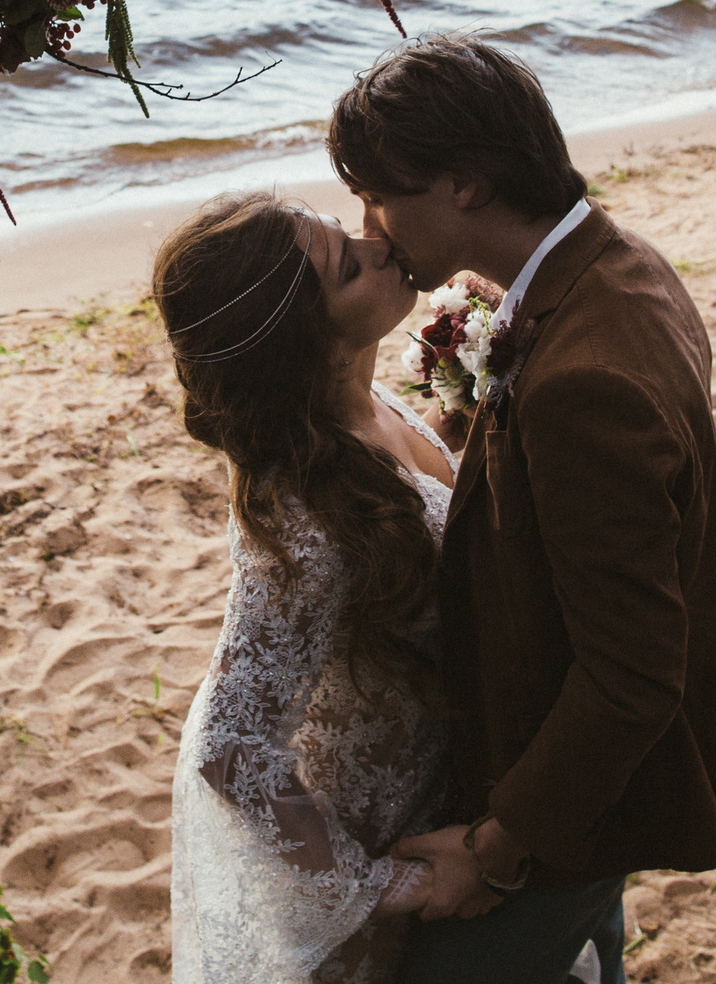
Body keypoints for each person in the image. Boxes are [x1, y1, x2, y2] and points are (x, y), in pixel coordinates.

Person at [329, 34, 716, 984]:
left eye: (378, 192)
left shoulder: (584, 379)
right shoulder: (617, 264)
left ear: (463, 184)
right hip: (588, 782)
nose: (370, 226)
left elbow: (631, 674)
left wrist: (495, 845)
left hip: (577, 796)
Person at [156, 192, 460, 983]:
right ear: (312, 343)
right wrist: (378, 884)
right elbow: (229, 748)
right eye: (349, 263)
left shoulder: (369, 404)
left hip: (440, 784)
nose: (379, 246)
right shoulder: (306, 524)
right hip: (377, 840)